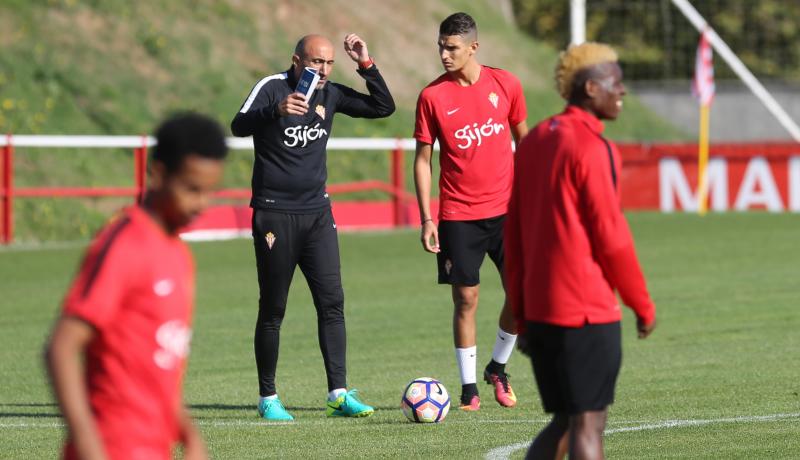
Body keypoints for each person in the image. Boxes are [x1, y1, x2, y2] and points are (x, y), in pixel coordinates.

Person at [45, 113, 228, 460]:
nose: (201, 204)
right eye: (191, 189)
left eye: (209, 192)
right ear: (157, 174)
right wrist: (88, 446)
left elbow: (159, 367)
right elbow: (61, 348)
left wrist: (189, 435)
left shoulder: (178, 254)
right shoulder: (125, 244)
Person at [230, 33, 395, 421]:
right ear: (296, 61)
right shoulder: (271, 88)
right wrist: (275, 111)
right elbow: (238, 126)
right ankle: (268, 397)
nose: (322, 70)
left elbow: (383, 107)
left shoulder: (331, 94)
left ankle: (338, 393)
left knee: (332, 303)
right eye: (315, 62)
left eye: (328, 63)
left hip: (318, 215)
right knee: (273, 308)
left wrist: (366, 64)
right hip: (274, 214)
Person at [505, 42, 657, 459]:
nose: (622, 91)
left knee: (565, 422)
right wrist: (641, 303)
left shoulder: (535, 139)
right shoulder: (593, 147)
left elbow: (514, 234)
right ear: (591, 88)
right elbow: (611, 235)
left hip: (541, 311)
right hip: (585, 310)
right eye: (616, 82)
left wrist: (522, 312)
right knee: (589, 424)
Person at [413, 12, 528, 411]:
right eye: (441, 46)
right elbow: (423, 159)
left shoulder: (506, 84)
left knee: (523, 295)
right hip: (458, 215)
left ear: (473, 47)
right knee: (466, 298)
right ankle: (468, 390)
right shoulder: (432, 97)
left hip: (509, 212)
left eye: (452, 48)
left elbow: (524, 141)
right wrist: (427, 217)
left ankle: (497, 368)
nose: (444, 54)